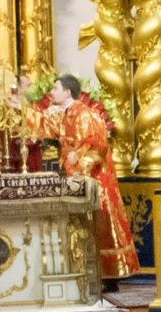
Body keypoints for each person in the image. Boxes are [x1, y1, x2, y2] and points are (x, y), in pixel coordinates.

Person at [46, 76, 140, 281]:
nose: (51, 92)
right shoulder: (66, 115)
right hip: (76, 178)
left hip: (95, 179)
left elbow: (99, 146)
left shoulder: (86, 114)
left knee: (101, 224)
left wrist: (79, 161)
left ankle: (109, 274)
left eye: (55, 88)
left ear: (67, 92)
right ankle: (92, 272)